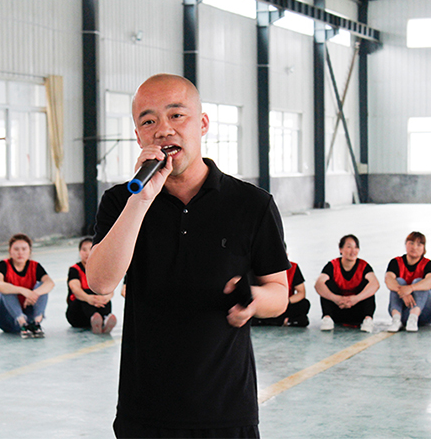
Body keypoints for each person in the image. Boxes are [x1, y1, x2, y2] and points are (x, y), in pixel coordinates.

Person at [86, 74, 289, 438]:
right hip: (144, 412)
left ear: (203, 124)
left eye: (176, 115)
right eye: (148, 121)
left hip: (226, 411)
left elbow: (279, 293)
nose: (163, 129)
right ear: (138, 136)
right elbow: (100, 282)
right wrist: (140, 200)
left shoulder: (251, 204)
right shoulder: (121, 202)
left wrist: (254, 300)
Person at [0, 233, 54, 338]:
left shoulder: (35, 266)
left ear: (29, 251)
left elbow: (50, 283)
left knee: (42, 286)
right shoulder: (3, 265)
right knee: (6, 287)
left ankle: (36, 323)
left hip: (29, 316)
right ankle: (22, 324)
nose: (20, 252)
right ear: (10, 251)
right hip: (8, 319)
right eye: (16, 249)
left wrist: (34, 293)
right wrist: (23, 291)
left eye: (24, 249)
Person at [314, 234, 379, 333]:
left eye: (356, 247)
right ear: (340, 249)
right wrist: (336, 298)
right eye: (349, 247)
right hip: (338, 310)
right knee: (326, 284)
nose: (353, 251)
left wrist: (356, 299)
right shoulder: (332, 265)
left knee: (368, 285)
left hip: (357, 311)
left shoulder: (364, 266)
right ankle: (327, 318)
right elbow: (318, 284)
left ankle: (368, 319)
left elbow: (375, 284)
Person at [385, 232, 431, 332]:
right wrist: (403, 293)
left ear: (424, 248)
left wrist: (411, 288)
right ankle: (396, 319)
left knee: (419, 281)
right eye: (411, 243)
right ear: (406, 244)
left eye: (419, 244)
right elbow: (388, 280)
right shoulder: (396, 262)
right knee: (398, 281)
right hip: (404, 312)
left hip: (426, 312)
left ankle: (413, 318)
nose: (414, 247)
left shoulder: (428, 264)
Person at [66, 237, 117, 334]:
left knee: (102, 293)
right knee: (87, 292)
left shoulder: (101, 269)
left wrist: (104, 298)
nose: (87, 253)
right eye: (83, 250)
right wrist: (89, 298)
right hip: (78, 315)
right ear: (79, 252)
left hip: (98, 308)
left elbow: (110, 290)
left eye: (90, 249)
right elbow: (75, 288)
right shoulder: (74, 269)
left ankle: (105, 317)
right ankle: (94, 317)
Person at [252, 259, 310, 327]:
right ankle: (282, 321)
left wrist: (285, 302)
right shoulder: (259, 267)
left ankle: (269, 321)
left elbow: (301, 293)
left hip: (285, 305)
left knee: (304, 304)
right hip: (265, 304)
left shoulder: (293, 267)